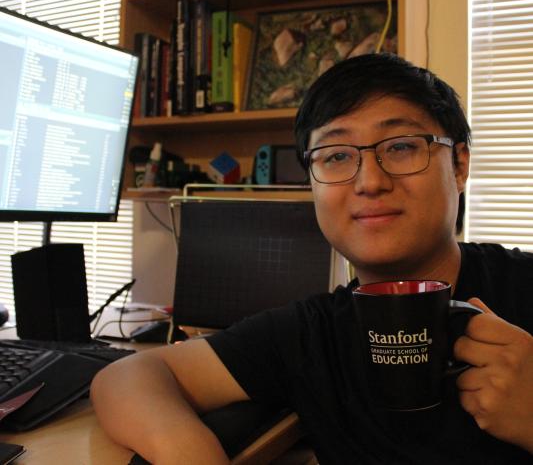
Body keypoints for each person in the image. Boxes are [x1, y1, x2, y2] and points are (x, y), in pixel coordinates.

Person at [91, 53, 533, 464]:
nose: (370, 182)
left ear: (459, 165)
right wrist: (187, 448)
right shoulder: (311, 334)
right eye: (337, 156)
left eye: (400, 146)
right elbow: (129, 377)